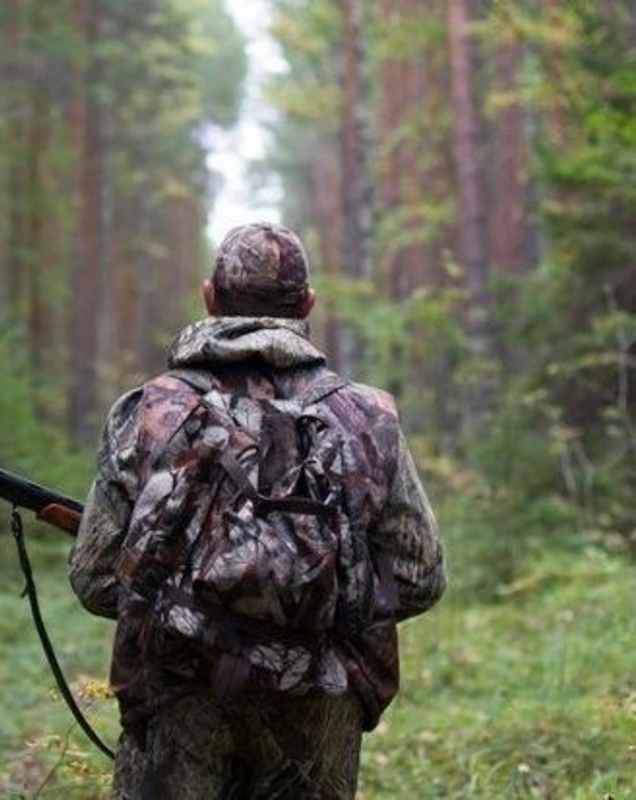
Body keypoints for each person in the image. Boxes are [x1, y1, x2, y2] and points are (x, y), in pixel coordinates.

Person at [68, 221, 446, 799]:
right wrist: (312, 611)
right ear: (308, 305)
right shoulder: (368, 417)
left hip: (178, 701)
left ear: (210, 297)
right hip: (320, 703)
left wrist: (192, 609)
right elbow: (421, 578)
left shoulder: (147, 412)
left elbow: (95, 580)